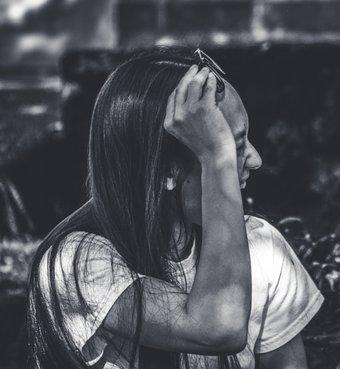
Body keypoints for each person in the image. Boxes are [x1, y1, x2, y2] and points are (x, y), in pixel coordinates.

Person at [25, 46, 323, 369]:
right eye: (233, 146)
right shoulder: (76, 263)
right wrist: (217, 157)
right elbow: (219, 327)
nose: (256, 159)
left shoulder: (262, 250)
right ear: (167, 172)